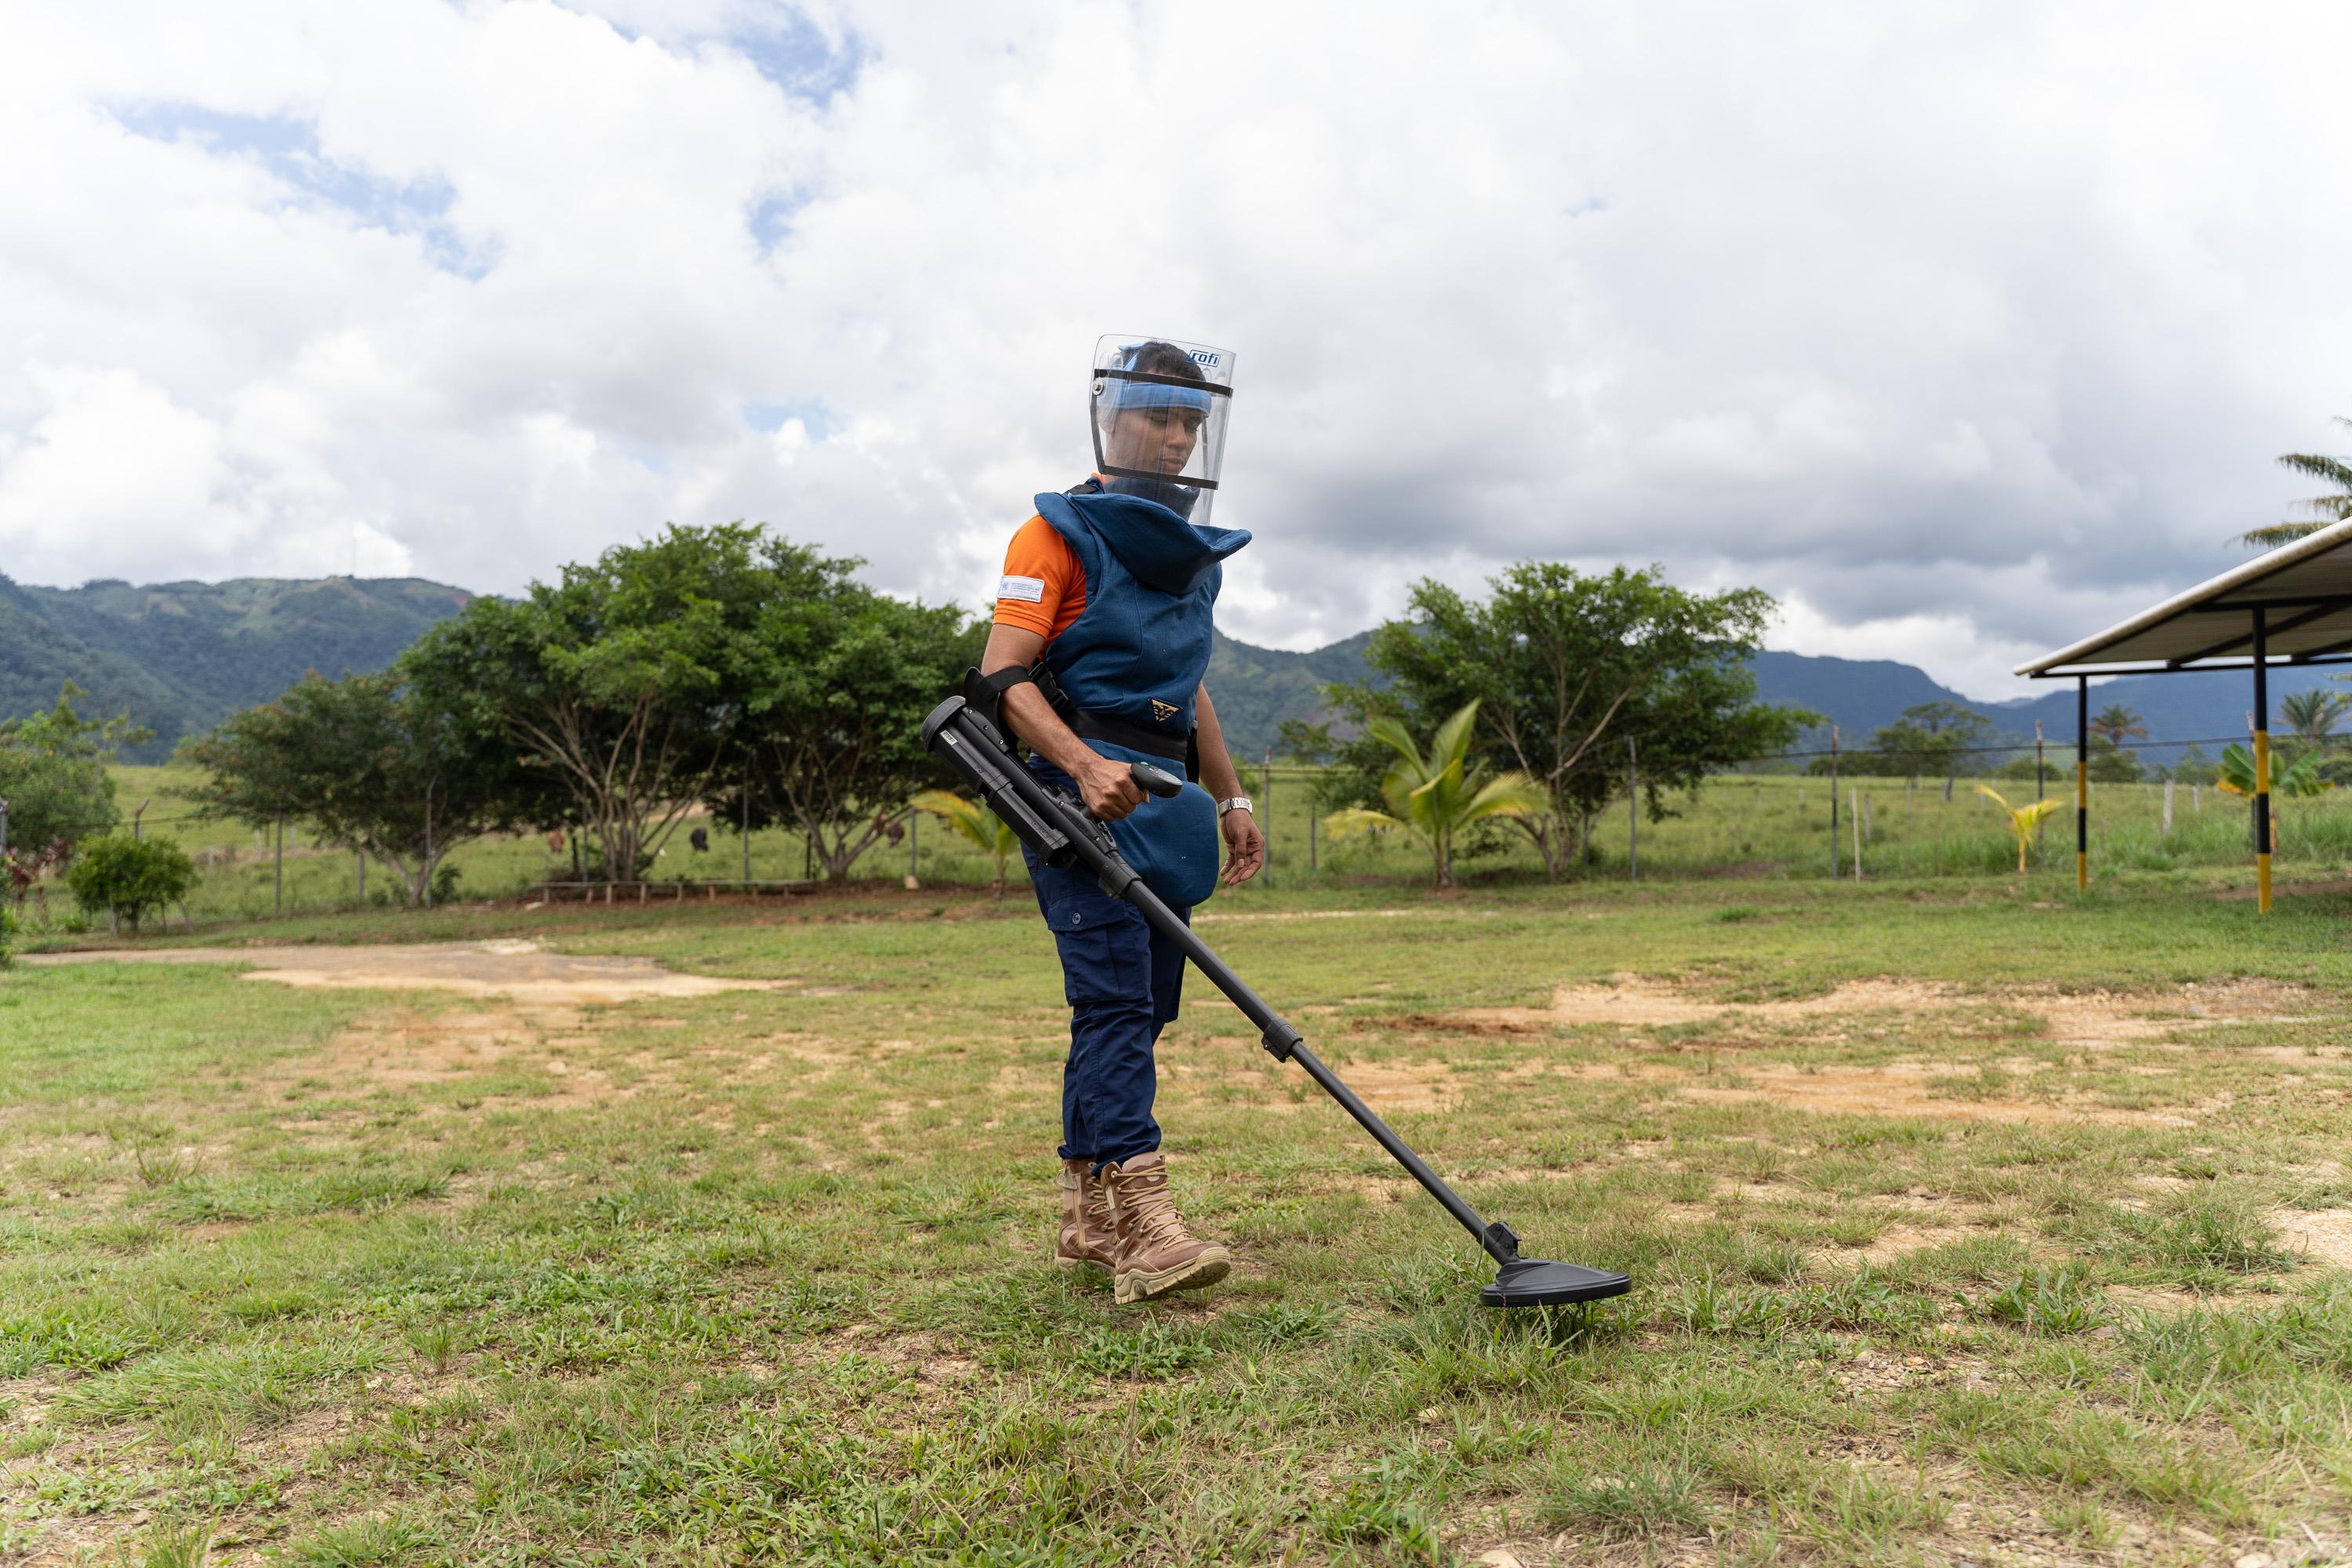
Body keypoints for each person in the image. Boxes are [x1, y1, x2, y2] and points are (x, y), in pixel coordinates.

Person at [978, 336, 1265, 1305]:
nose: (1178, 437)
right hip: (1072, 799)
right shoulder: (1049, 536)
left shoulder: (1195, 556)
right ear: (1112, 418)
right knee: (1114, 1006)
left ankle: (1085, 1214)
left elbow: (1193, 693)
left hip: (1165, 800)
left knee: (1138, 1016)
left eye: (1192, 420)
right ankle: (1146, 1226)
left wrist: (1230, 798)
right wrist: (1084, 765)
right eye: (1159, 416)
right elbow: (1003, 678)